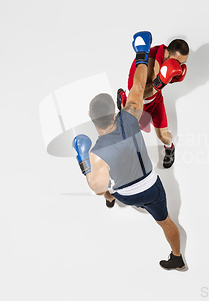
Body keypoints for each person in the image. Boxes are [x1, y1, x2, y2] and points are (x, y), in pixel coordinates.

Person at [72, 32, 186, 270]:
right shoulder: (130, 115)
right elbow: (137, 86)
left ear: (91, 119)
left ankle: (112, 201)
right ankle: (177, 258)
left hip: (126, 194)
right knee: (165, 221)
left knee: (106, 189)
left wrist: (83, 161)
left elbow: (96, 187)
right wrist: (142, 55)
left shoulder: (97, 154)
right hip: (153, 188)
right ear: (115, 113)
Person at [117, 37, 189, 169]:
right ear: (167, 53)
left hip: (156, 100)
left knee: (164, 136)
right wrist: (160, 82)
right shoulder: (151, 62)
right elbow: (140, 93)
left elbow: (168, 74)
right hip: (138, 100)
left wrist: (168, 79)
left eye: (183, 63)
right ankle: (123, 97)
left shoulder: (169, 61)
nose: (179, 67)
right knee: (128, 136)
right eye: (177, 62)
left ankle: (170, 148)